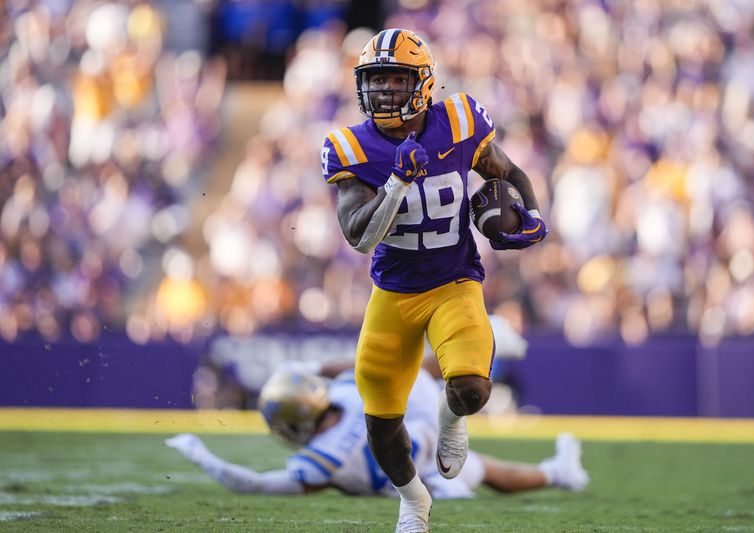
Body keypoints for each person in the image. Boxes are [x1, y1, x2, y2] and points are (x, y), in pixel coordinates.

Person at [321, 29, 547, 532]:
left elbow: (505, 172)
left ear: (423, 84)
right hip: (394, 295)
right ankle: (413, 501)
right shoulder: (351, 146)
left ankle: (452, 423)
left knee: (471, 389)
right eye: (374, 81)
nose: (383, 92)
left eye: (395, 81)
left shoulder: (461, 120)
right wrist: (397, 183)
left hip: (453, 281)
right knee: (381, 424)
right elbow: (359, 238)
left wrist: (530, 217)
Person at [165, 366, 588, 500]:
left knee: (480, 470)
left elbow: (254, 484)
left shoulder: (323, 458)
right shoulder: (348, 389)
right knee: (485, 469)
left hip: (420, 478)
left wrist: (203, 456)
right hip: (432, 454)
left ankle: (557, 472)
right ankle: (557, 472)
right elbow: (351, 366)